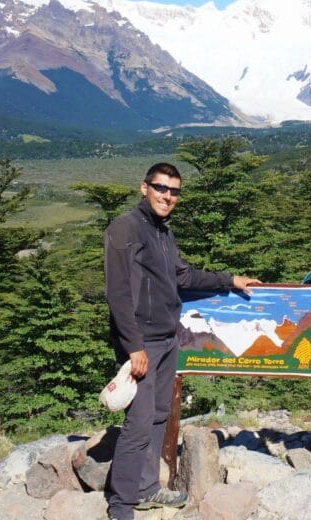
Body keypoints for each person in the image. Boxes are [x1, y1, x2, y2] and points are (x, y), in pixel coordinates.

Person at [103, 162, 261, 520]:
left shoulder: (162, 232)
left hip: (166, 337)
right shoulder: (125, 228)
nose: (167, 196)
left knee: (159, 415)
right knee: (140, 421)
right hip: (142, 343)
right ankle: (121, 504)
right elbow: (118, 292)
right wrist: (133, 346)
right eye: (161, 188)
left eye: (174, 191)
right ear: (144, 188)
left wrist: (230, 279)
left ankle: (146, 489)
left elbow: (183, 274)